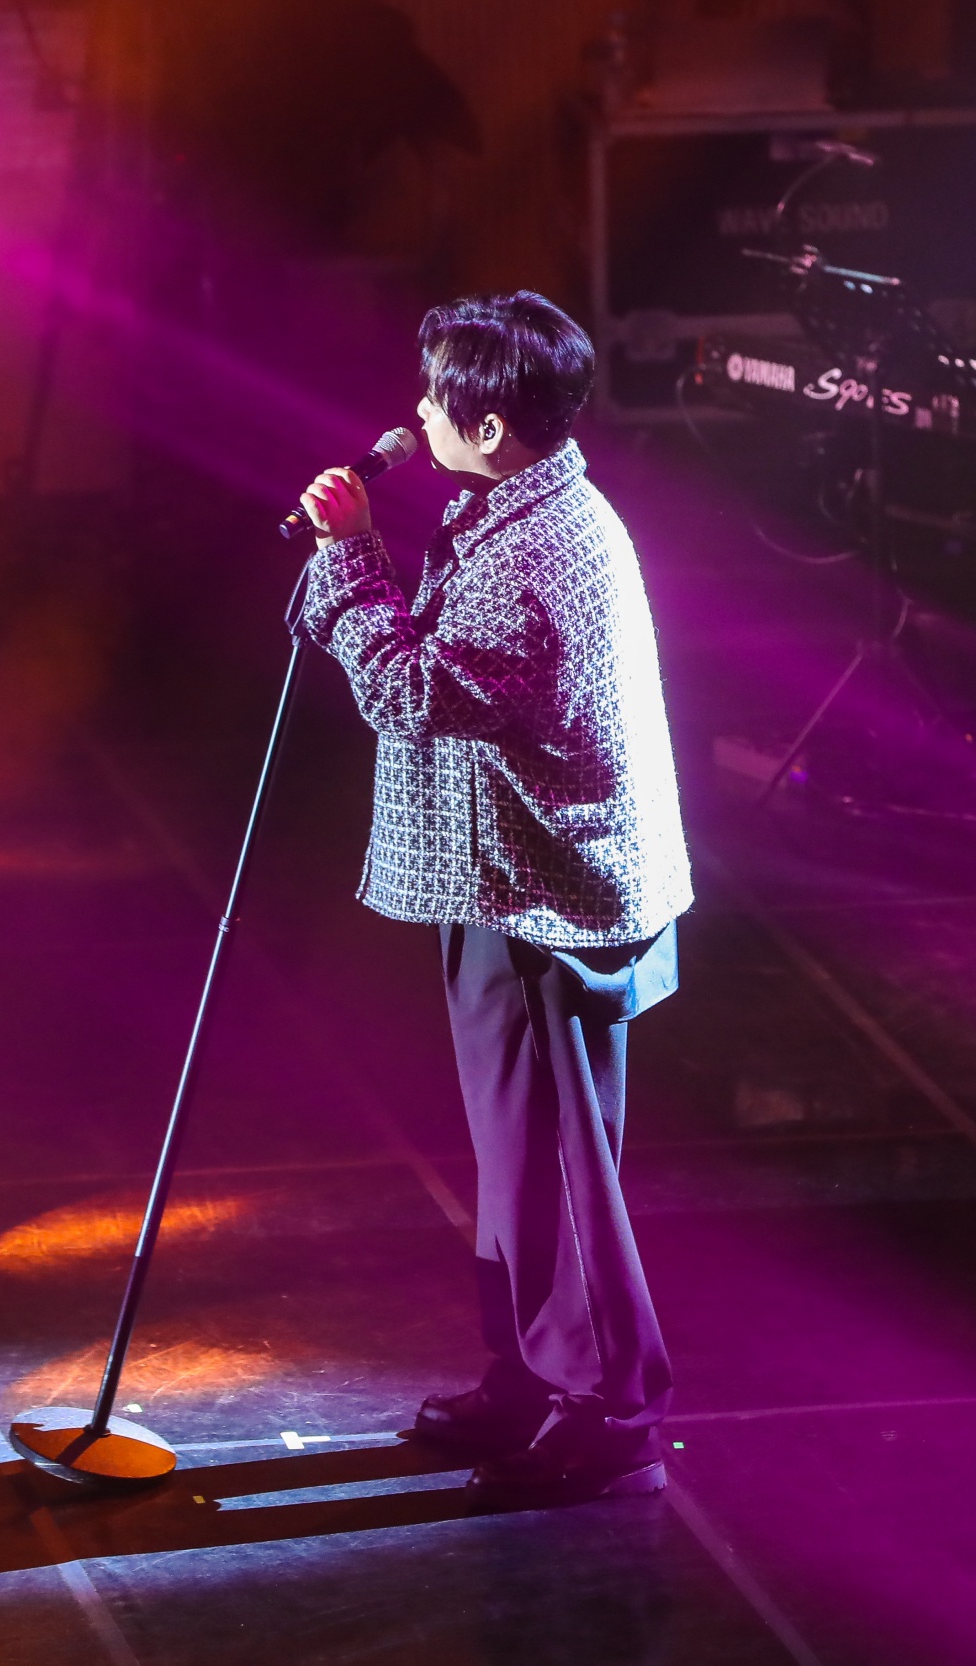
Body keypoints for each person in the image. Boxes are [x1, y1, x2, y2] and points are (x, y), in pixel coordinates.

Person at [294, 290, 695, 1507]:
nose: (413, 415)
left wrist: (349, 557)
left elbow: (415, 693)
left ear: (488, 427)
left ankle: (611, 1406)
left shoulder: (533, 550)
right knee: (517, 1153)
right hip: (508, 878)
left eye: (434, 399)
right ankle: (530, 1370)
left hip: (546, 897)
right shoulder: (523, 504)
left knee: (559, 1162)